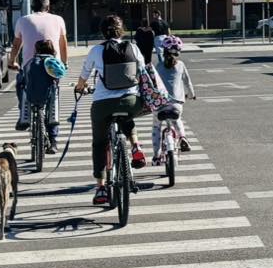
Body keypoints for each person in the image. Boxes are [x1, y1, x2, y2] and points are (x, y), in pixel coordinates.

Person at [76, 14, 148, 206]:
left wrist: (80, 87)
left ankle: (101, 187)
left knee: (99, 143)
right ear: (121, 30)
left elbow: (84, 74)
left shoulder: (96, 50)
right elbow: (143, 71)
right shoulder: (133, 47)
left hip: (103, 104)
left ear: (102, 32)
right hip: (131, 101)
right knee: (127, 118)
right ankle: (136, 146)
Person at [8, 0, 68, 150]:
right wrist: (64, 63)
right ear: (48, 7)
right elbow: (63, 44)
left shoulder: (23, 20)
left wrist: (12, 61)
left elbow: (16, 45)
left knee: (21, 84)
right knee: (53, 95)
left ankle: (24, 115)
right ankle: (53, 140)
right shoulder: (58, 20)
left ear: (32, 7)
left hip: (30, 66)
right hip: (52, 66)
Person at [151, 35, 196, 164]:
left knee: (156, 127)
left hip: (160, 104)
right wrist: (191, 95)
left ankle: (156, 155)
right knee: (177, 119)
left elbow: (154, 84)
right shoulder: (181, 65)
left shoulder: (158, 66)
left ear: (164, 51)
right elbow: (187, 82)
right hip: (176, 104)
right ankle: (183, 137)